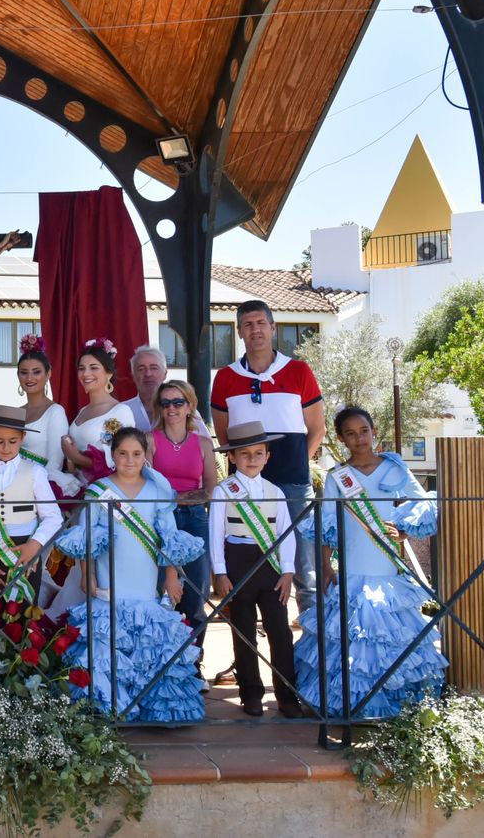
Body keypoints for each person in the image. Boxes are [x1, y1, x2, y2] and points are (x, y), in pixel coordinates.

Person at [294, 406, 446, 718]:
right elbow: (327, 523)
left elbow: (423, 502)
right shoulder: (338, 477)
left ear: (374, 432)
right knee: (349, 633)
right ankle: (350, 701)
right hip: (351, 568)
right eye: (350, 434)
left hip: (385, 566)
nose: (359, 438)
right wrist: (326, 565)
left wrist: (404, 531)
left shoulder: (394, 469)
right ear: (341, 439)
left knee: (387, 633)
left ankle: (393, 702)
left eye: (364, 431)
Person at [56, 427, 206, 722]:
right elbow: (87, 537)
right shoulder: (99, 491)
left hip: (146, 579)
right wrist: (88, 575)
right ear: (112, 456)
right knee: (108, 640)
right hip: (109, 579)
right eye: (122, 453)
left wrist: (171, 577)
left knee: (147, 639)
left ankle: (149, 704)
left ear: (145, 456)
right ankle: (111, 704)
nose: (129, 460)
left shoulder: (157, 490)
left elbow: (169, 536)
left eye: (136, 454)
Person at [211, 300, 326, 613]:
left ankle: (311, 629)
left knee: (304, 563)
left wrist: (300, 464)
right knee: (245, 558)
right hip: (245, 486)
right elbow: (224, 434)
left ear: (273, 327)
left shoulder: (299, 371)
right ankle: (250, 629)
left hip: (292, 483)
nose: (255, 330)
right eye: (248, 324)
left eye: (261, 322)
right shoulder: (225, 377)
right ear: (239, 331)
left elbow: (317, 428)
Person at [209, 421, 302, 718]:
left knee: (280, 632)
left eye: (258, 453)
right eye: (244, 453)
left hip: (271, 565)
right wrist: (220, 572)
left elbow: (286, 533)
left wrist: (287, 571)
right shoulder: (224, 491)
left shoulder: (275, 492)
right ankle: (251, 694)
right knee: (243, 631)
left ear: (267, 456)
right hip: (238, 562)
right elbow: (215, 533)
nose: (252, 459)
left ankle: (287, 696)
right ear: (232, 457)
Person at [0, 405, 65, 610]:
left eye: (13, 441)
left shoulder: (35, 472)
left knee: (24, 613)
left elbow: (54, 517)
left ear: (23, 437)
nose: (6, 448)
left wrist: (34, 544)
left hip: (26, 551)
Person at [149, 379, 219, 664]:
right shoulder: (149, 440)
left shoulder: (203, 443)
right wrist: (181, 498)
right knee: (160, 591)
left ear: (190, 406)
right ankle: (161, 663)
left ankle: (193, 663)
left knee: (195, 593)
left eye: (178, 402)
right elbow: (148, 487)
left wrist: (175, 497)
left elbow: (211, 489)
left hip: (195, 520)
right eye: (165, 403)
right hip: (160, 521)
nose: (172, 408)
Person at [61, 339, 137, 490]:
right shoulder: (83, 411)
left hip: (106, 492)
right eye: (81, 368)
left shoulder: (120, 411)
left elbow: (117, 461)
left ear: (108, 373)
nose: (86, 373)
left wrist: (76, 457)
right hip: (79, 488)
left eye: (93, 368)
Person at [14, 335, 81, 497]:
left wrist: (27, 486)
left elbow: (54, 464)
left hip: (42, 487)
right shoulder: (15, 413)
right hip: (13, 486)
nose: (29, 378)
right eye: (24, 373)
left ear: (48, 373)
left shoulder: (55, 412)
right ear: (18, 376)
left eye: (36, 372)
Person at [126, 345, 170, 433]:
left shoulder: (182, 410)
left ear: (165, 374)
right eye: (141, 369)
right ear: (133, 376)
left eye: (154, 368)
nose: (148, 374)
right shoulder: (123, 410)